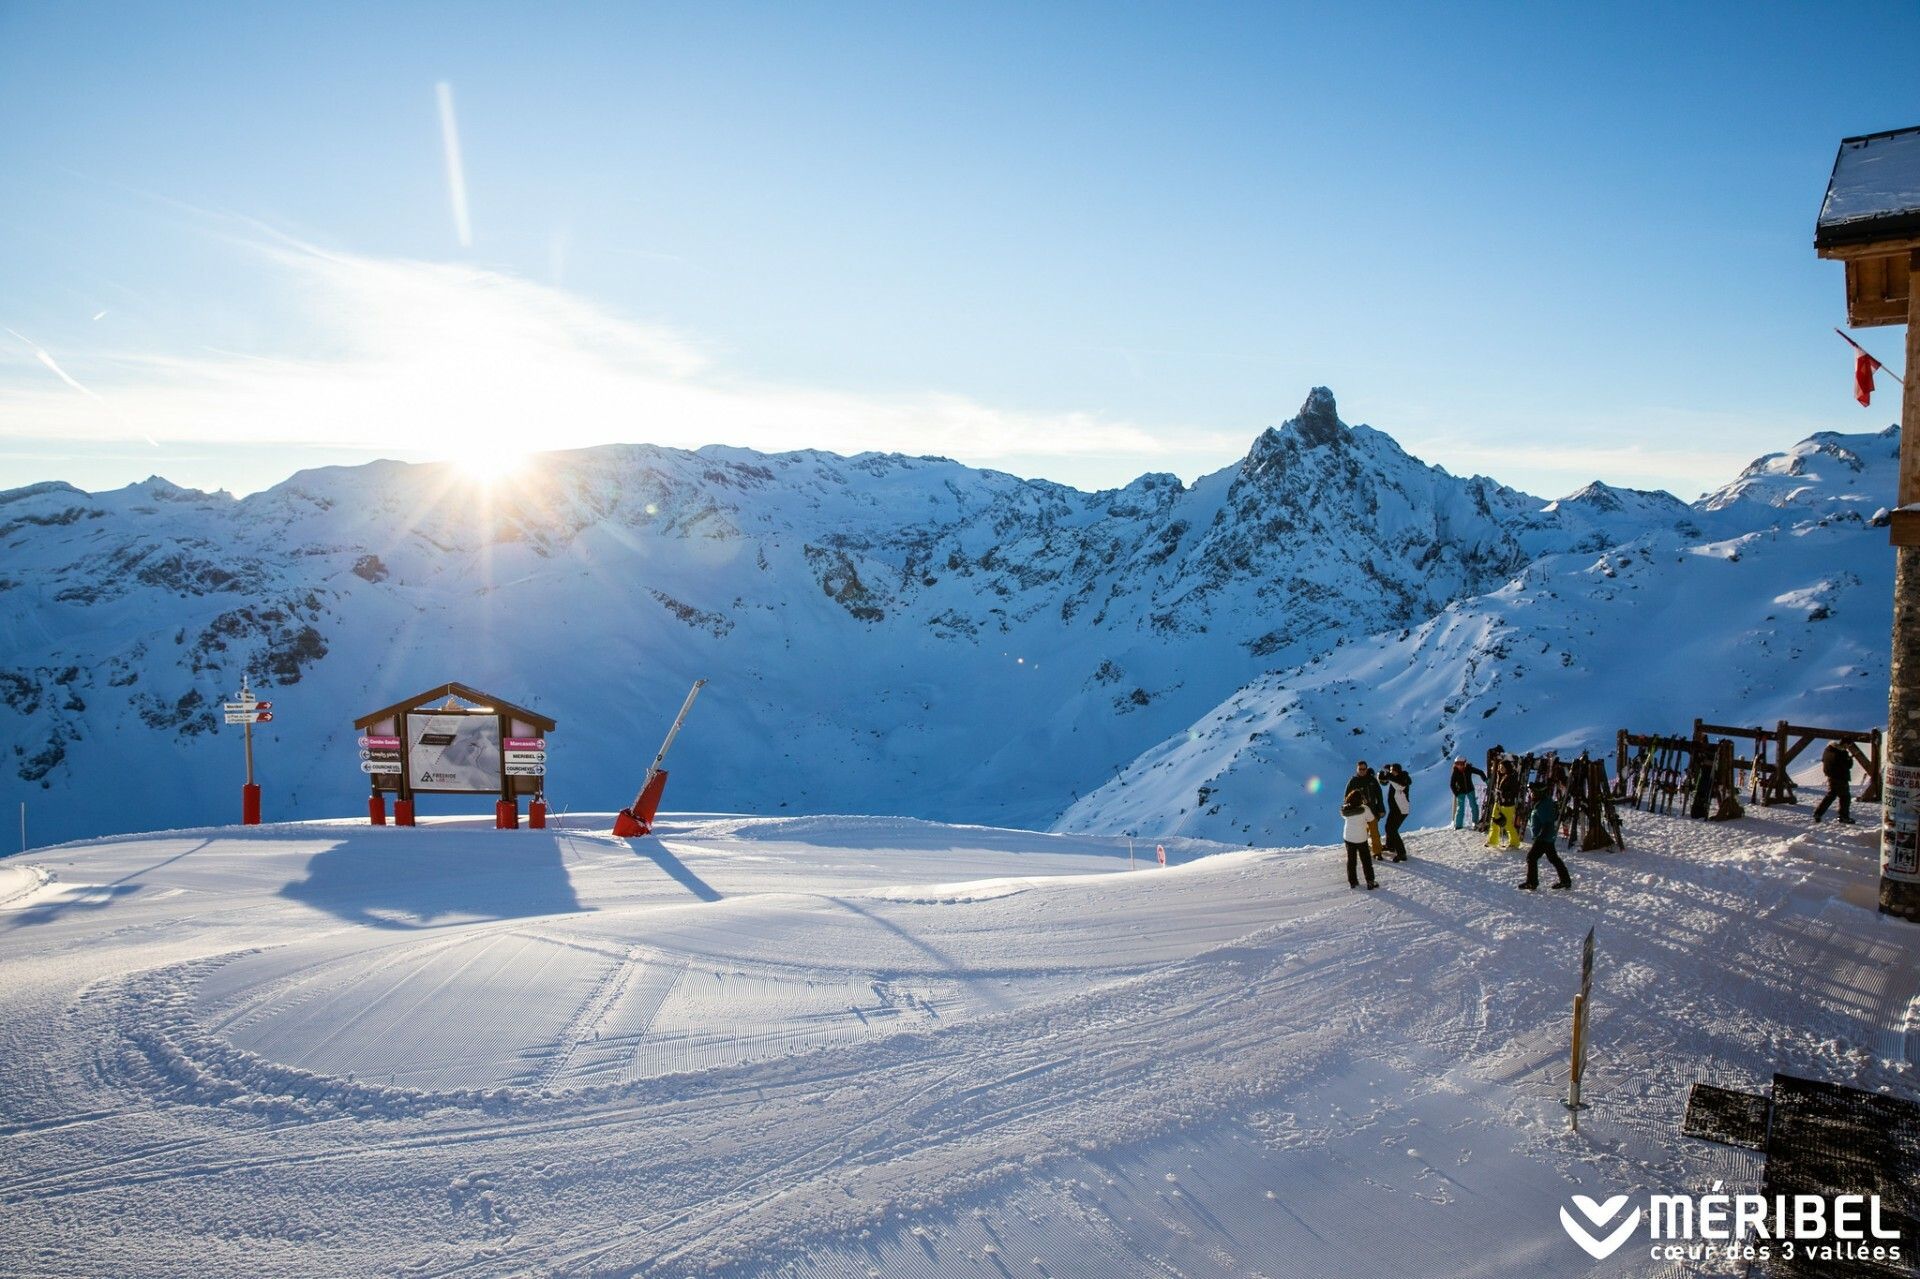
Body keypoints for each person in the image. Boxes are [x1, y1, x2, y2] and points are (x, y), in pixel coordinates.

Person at [1518, 781, 1572, 890]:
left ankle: (1532, 882)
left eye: (1533, 792)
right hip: (1547, 836)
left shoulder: (1544, 805)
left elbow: (1547, 822)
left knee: (1531, 857)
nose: (1531, 794)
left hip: (1543, 837)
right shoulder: (1541, 802)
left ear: (1539, 793)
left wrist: (1540, 837)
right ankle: (1565, 880)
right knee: (1553, 858)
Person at [1341, 783, 1379, 890]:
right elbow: (1371, 819)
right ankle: (1370, 881)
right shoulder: (1364, 809)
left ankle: (1353, 882)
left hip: (1348, 837)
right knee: (1366, 860)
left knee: (1351, 860)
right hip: (1361, 838)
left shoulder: (1345, 810)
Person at [1813, 741, 1856, 824]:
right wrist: (1850, 759)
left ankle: (1817, 813)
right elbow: (1847, 765)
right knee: (1845, 797)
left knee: (1831, 796)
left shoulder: (1828, 750)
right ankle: (1843, 817)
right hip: (1841, 778)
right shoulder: (1842, 752)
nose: (1847, 747)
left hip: (1831, 777)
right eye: (1847, 745)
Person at [1485, 761, 1522, 850]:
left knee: (1508, 824)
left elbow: (1515, 792)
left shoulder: (1512, 778)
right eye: (1500, 767)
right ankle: (1492, 841)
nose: (1500, 769)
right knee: (1494, 821)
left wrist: (1503, 794)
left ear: (1507, 768)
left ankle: (1514, 843)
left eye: (1502, 767)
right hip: (1498, 802)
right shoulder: (1500, 775)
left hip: (1508, 804)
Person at [1380, 763, 1411, 861]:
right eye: (1391, 770)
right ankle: (1390, 846)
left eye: (1394, 771)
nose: (1392, 772)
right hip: (1394, 809)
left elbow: (1399, 786)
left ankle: (1402, 853)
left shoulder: (1402, 779)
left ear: (1398, 771)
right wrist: (1385, 776)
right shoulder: (1395, 778)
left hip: (1401, 810)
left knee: (1392, 830)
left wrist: (1388, 776)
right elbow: (1387, 781)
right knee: (1388, 827)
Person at [1449, 756, 1486, 829]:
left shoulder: (1469, 769)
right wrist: (1456, 793)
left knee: (1474, 806)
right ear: (1455, 764)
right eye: (1457, 764)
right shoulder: (1455, 772)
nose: (1459, 766)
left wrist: (1486, 780)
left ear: (1465, 763)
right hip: (1460, 792)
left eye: (1461, 764)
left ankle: (1475, 822)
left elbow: (1480, 772)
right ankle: (1458, 825)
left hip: (1470, 790)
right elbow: (1452, 784)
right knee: (1460, 808)